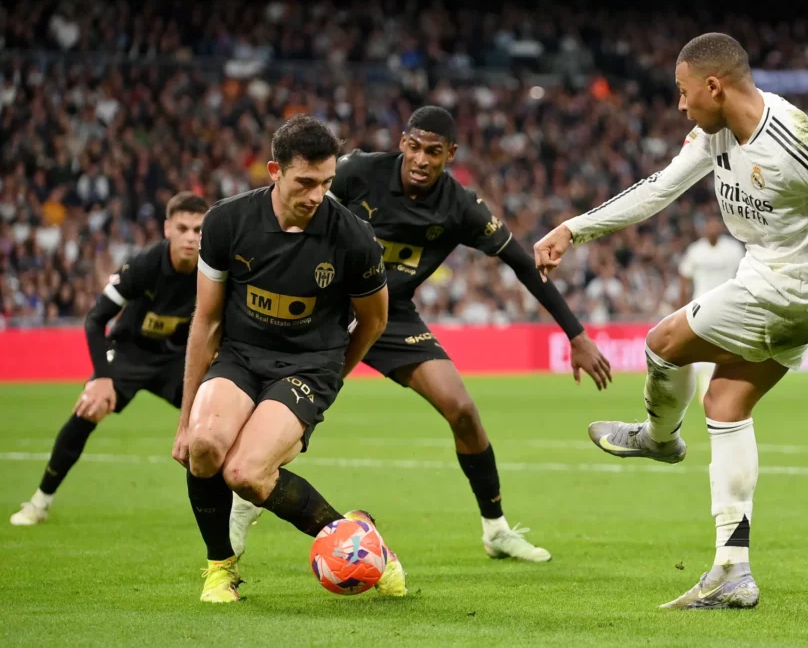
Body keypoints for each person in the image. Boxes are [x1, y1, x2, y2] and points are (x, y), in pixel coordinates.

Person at [533, 33, 808, 610]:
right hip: (795, 292)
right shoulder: (717, 133)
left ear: (714, 86)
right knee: (726, 407)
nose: (680, 106)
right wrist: (573, 229)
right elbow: (658, 187)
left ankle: (657, 439)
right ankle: (733, 571)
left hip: (792, 289)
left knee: (662, 344)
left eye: (683, 93)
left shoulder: (796, 140)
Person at [245, 105, 607, 563]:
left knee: (462, 410)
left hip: (391, 314)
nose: (420, 159)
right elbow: (293, 207)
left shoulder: (461, 206)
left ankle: (495, 529)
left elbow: (520, 261)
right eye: (414, 147)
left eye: (433, 152)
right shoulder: (358, 172)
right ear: (402, 143)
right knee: (301, 412)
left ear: (450, 154)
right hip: (329, 306)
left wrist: (575, 333)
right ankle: (249, 489)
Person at [171, 114, 405, 603]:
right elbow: (207, 321)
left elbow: (375, 321)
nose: (317, 194)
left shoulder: (352, 237)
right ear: (274, 170)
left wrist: (330, 379)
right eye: (306, 181)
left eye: (326, 182)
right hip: (239, 355)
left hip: (308, 365)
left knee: (247, 475)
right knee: (206, 445)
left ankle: (362, 544)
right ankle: (220, 569)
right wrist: (183, 420)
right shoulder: (227, 221)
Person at [10, 192, 209, 526]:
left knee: (215, 416)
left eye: (198, 229)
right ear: (167, 229)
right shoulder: (143, 264)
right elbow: (95, 319)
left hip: (177, 360)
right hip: (130, 352)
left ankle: (236, 501)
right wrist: (101, 377)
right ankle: (39, 502)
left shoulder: (212, 270)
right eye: (183, 228)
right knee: (88, 409)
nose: (191, 237)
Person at [678, 217, 744, 403]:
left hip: (728, 304)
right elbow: (685, 278)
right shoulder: (695, 251)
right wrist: (681, 307)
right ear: (704, 229)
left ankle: (727, 386)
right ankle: (705, 386)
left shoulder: (733, 249)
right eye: (709, 225)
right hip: (701, 305)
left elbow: (743, 274)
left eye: (715, 225)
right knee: (706, 346)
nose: (712, 228)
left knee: (727, 347)